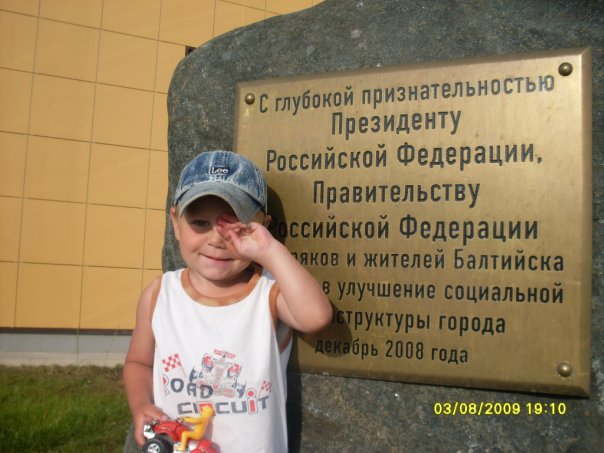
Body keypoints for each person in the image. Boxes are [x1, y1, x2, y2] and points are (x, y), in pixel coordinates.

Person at [123, 150, 332, 453]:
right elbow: (139, 362)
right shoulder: (160, 295)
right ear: (175, 222)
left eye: (235, 227)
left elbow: (316, 317)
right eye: (199, 223)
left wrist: (269, 251)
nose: (217, 239)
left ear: (263, 227)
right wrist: (141, 403)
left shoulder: (268, 292)